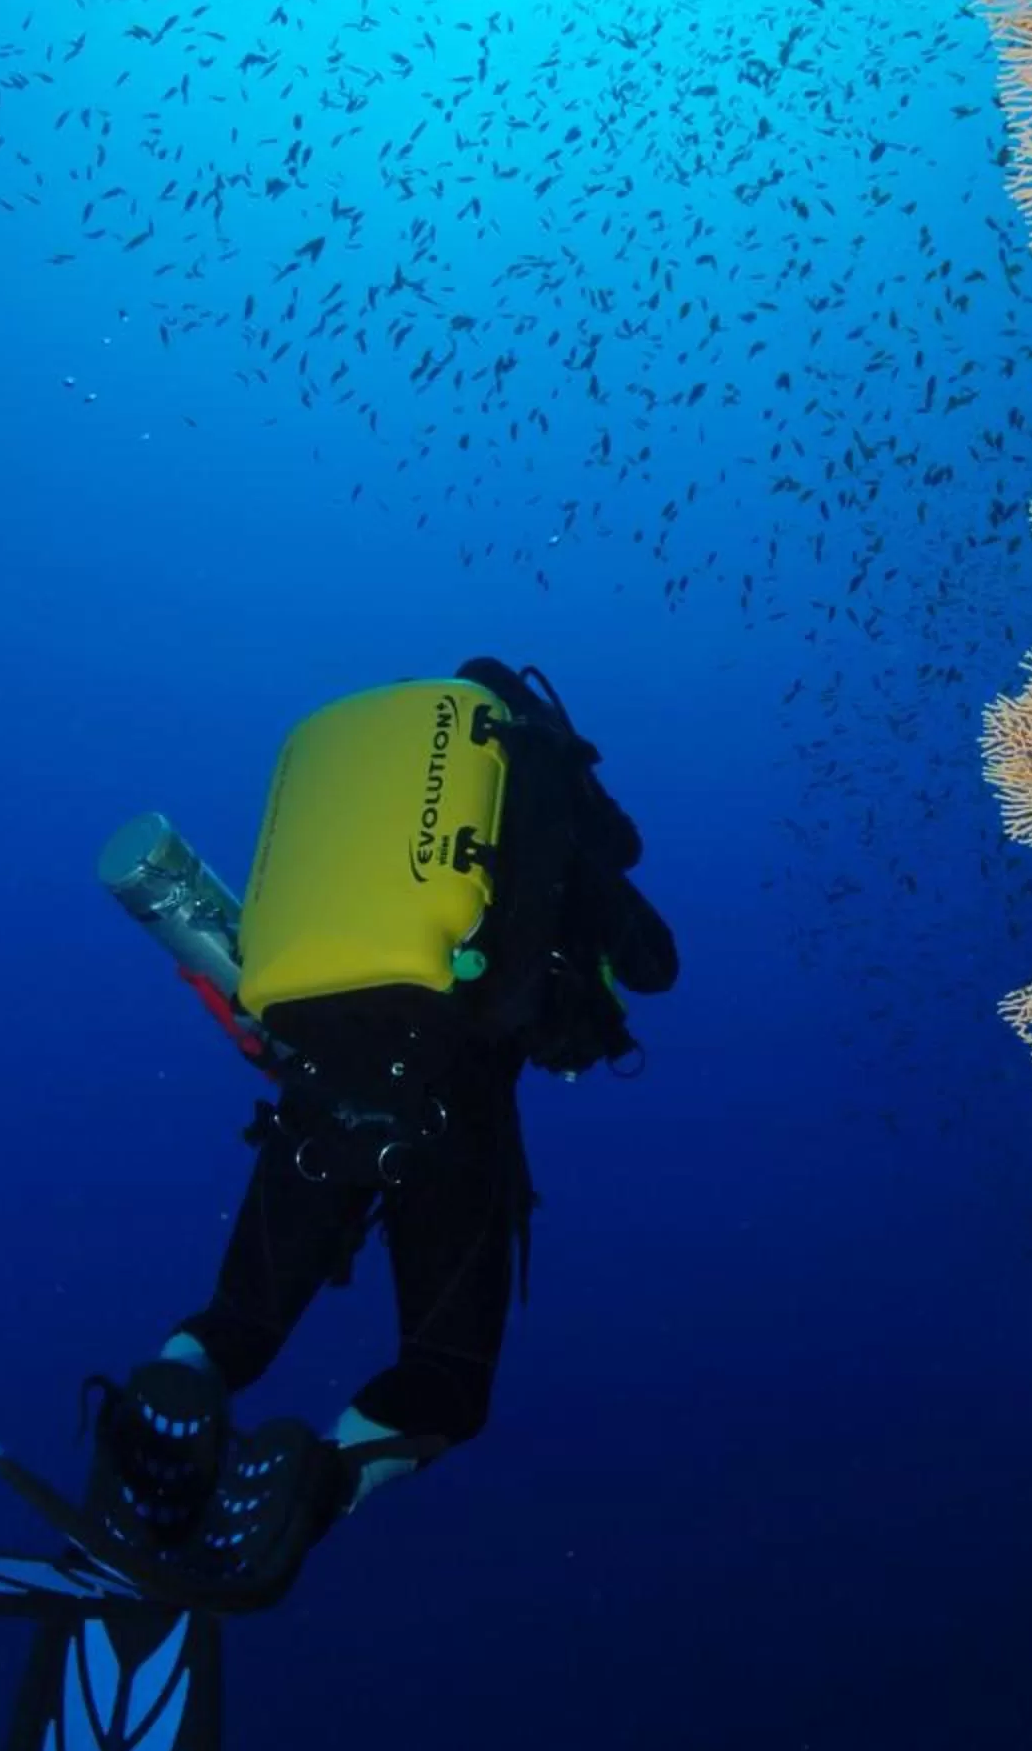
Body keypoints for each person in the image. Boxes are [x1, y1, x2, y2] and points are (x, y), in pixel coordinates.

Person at [81, 653, 678, 1610]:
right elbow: (655, 966)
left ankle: (165, 1404)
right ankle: (312, 1488)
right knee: (445, 1378)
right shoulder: (541, 802)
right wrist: (590, 886)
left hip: (314, 1084)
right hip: (451, 1098)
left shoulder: (380, 795)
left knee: (238, 1324)